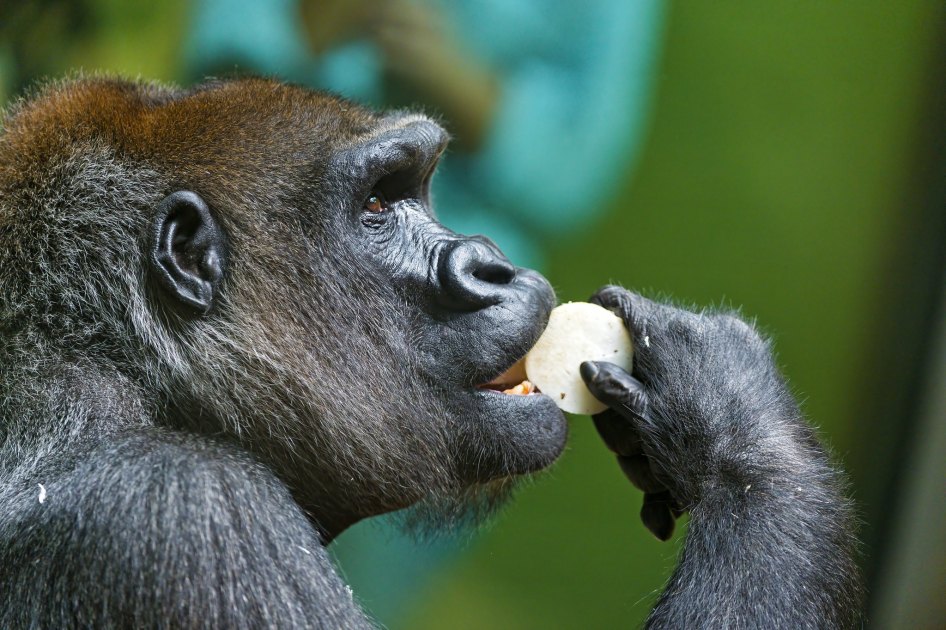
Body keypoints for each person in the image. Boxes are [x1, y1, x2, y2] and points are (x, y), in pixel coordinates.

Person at [184, 0, 663, 621]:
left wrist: (464, 91)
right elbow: (208, 71)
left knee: (348, 593)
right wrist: (319, 23)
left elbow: (576, 172)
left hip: (454, 332)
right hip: (273, 273)